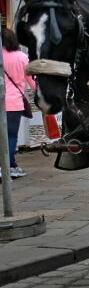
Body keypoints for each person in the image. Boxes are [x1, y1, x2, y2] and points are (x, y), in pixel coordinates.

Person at [2, 28, 35, 178]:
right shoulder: (22, 57)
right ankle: (8, 167)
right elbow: (31, 81)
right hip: (14, 103)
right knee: (11, 136)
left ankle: (11, 164)